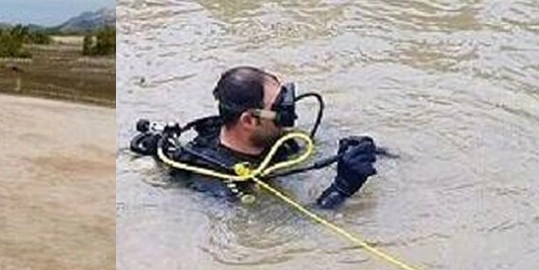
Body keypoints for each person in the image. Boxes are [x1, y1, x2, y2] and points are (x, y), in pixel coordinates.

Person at [129, 66, 379, 208]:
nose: (290, 114)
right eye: (280, 108)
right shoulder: (215, 180)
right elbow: (283, 231)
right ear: (249, 120)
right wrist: (340, 191)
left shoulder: (277, 139)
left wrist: (358, 151)